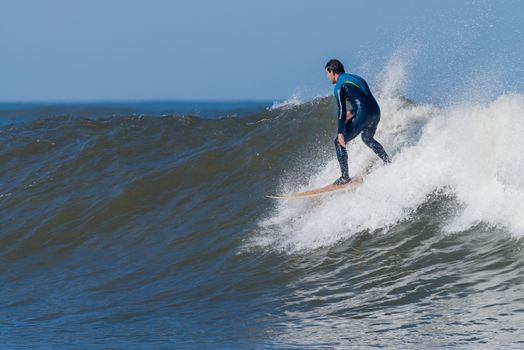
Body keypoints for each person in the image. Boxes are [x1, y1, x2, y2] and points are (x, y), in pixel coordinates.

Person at [325, 59, 391, 185]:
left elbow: (341, 110)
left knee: (338, 142)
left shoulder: (339, 85)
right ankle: (388, 160)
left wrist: (340, 132)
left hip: (363, 113)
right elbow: (365, 97)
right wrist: (354, 111)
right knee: (367, 138)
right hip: (376, 111)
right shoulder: (357, 78)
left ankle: (344, 177)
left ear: (332, 72)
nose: (328, 77)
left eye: (327, 74)